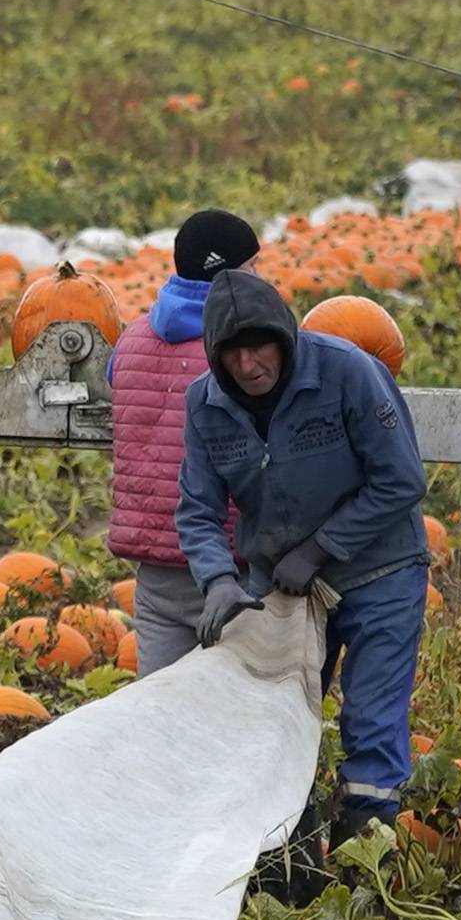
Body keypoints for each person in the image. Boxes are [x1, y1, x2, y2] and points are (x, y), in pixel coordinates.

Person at [175, 267, 431, 846]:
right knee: (274, 719)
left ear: (285, 337)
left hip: (379, 570)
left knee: (369, 718)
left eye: (259, 347)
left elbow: (401, 480)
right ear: (216, 358)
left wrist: (322, 546)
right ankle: (287, 859)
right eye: (233, 355)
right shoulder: (205, 405)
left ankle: (366, 860)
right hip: (281, 589)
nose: (249, 366)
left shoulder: (348, 372)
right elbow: (197, 509)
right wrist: (217, 578)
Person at [116, 209, 259, 674]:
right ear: (230, 271)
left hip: (156, 565)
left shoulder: (133, 338)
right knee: (242, 712)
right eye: (253, 265)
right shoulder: (242, 351)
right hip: (229, 564)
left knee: (158, 712)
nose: (260, 276)